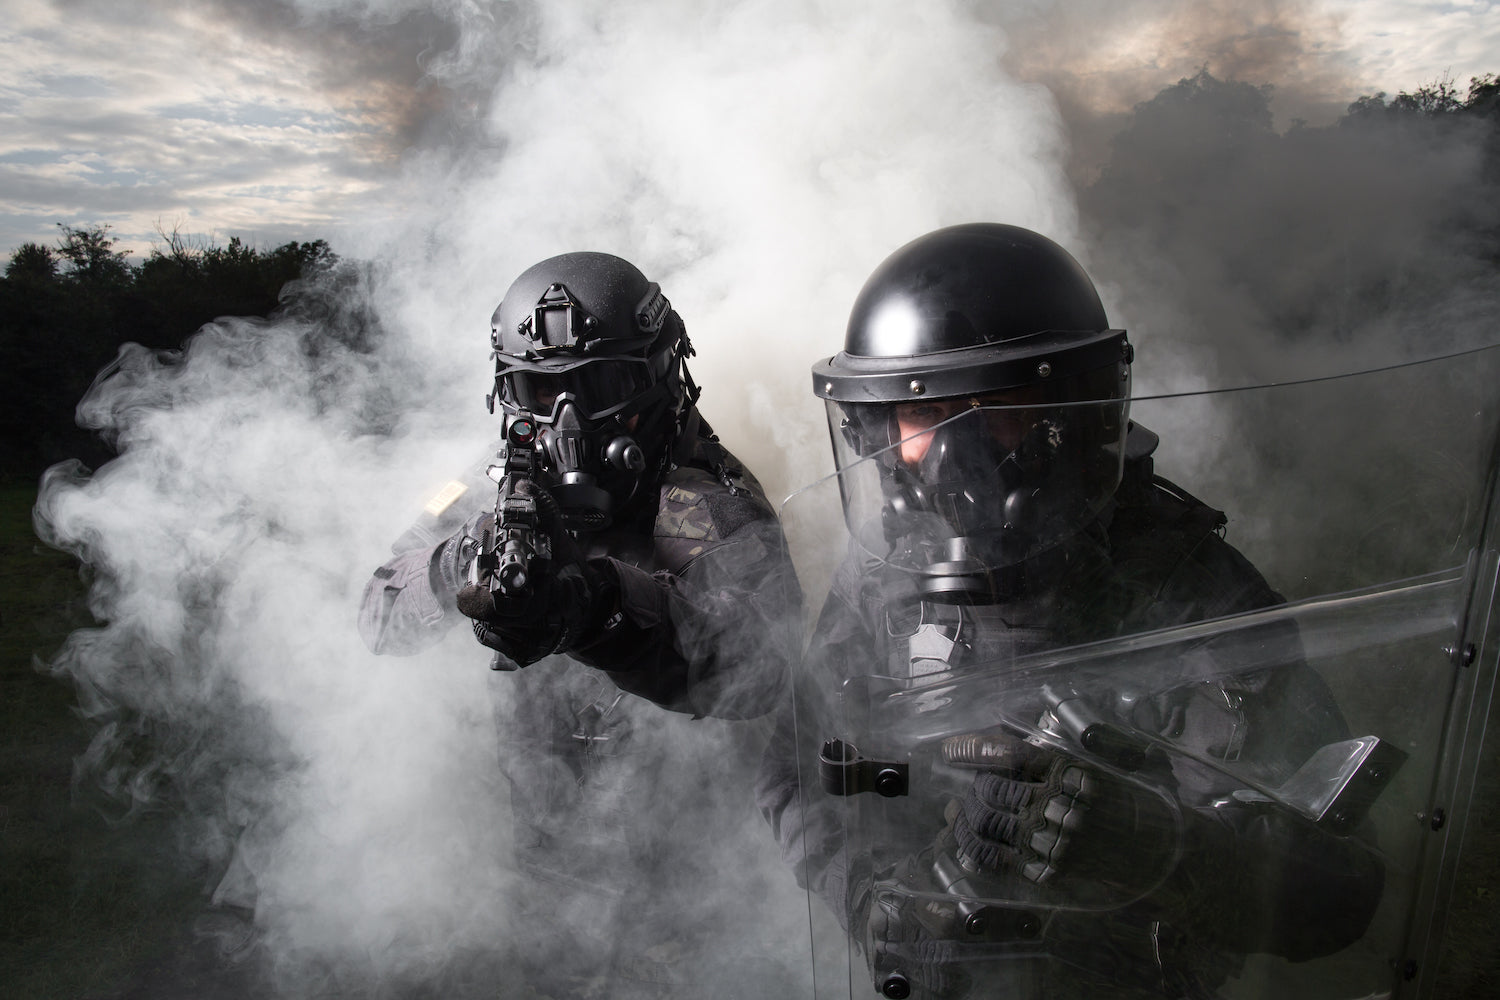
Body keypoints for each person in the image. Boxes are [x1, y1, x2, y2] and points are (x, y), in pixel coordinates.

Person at [757, 223, 1386, 998]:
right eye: (930, 419)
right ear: (881, 431)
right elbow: (798, 768)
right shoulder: (886, 572)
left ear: (1075, 413)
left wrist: (1163, 848)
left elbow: (1343, 890)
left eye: (1000, 412)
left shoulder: (1193, 595)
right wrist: (874, 905)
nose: (963, 458)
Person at [359, 251, 803, 995]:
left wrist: (593, 607)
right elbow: (378, 614)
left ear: (659, 376)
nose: (566, 421)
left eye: (600, 387)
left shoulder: (711, 508)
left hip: (691, 896)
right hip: (549, 865)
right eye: (538, 391)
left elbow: (752, 674)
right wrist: (461, 560)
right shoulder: (490, 488)